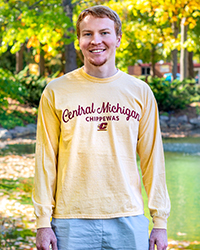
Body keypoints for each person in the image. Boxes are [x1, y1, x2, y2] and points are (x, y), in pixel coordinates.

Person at [33, 5, 170, 250]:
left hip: (128, 216)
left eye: (104, 33)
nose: (96, 41)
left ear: (118, 38)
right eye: (87, 34)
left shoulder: (140, 92)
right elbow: (45, 160)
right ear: (79, 40)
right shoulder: (55, 91)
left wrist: (160, 221)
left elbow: (153, 160)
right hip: (70, 221)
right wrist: (43, 222)